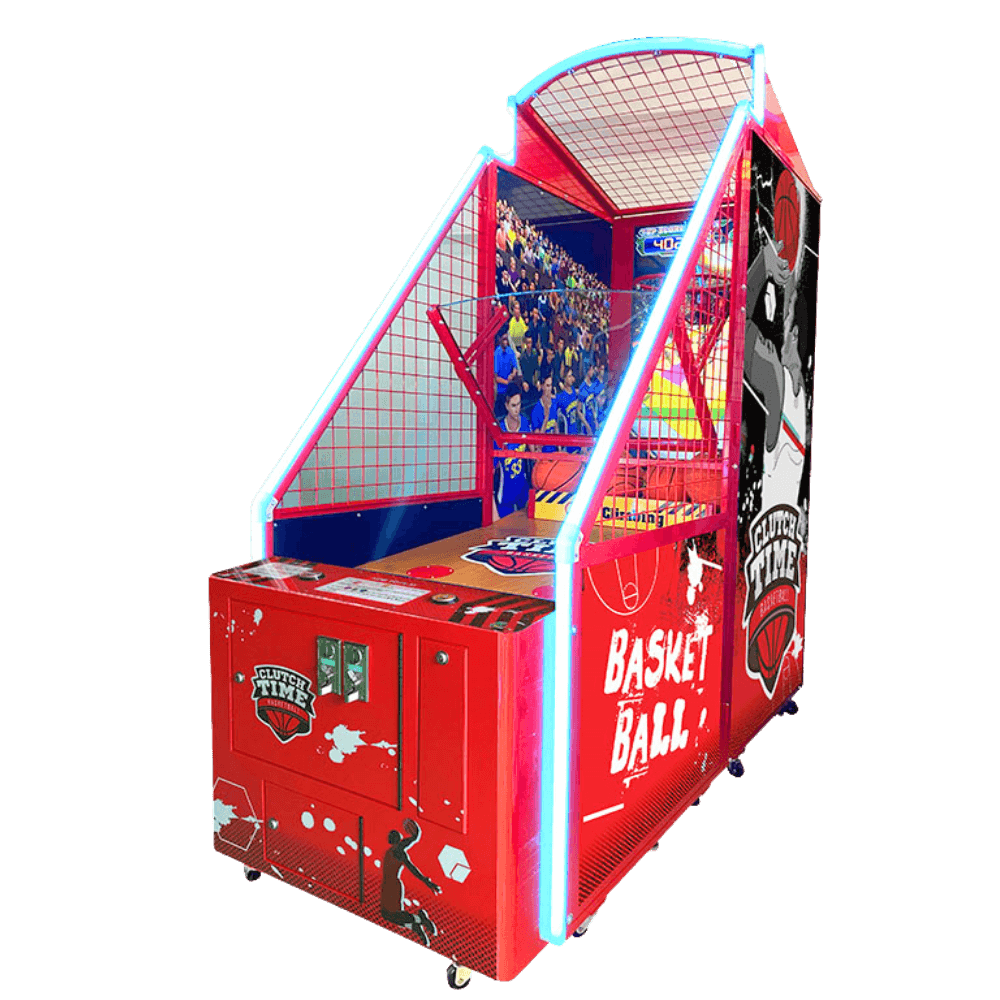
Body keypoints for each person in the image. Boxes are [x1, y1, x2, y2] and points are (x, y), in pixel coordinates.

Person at [380, 819, 441, 947]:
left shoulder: (398, 852)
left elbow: (413, 870)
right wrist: (414, 837)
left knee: (392, 914)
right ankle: (414, 926)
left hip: (392, 885)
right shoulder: (394, 850)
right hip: (388, 885)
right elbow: (406, 844)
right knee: (388, 915)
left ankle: (420, 920)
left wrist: (427, 882)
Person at [493, 385, 531, 517]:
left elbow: (534, 452)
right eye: (513, 405)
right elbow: (492, 469)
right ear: (507, 406)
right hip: (505, 493)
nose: (517, 409)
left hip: (522, 488)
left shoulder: (525, 423)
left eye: (519, 404)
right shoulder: (500, 431)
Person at [493, 331, 519, 418]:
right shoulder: (497, 353)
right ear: (500, 339)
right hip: (500, 392)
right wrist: (507, 382)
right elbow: (496, 377)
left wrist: (512, 374)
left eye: (506, 339)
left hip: (509, 392)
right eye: (504, 339)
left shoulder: (510, 350)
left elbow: (515, 367)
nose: (505, 342)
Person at [531, 374, 559, 453]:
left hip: (554, 452)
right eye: (547, 385)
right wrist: (546, 418)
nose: (549, 389)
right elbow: (538, 444)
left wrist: (559, 448)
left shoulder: (554, 403)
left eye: (550, 385)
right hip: (544, 455)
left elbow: (555, 426)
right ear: (542, 386)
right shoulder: (536, 411)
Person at [519, 333, 540, 415]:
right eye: (527, 343)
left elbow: (537, 368)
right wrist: (523, 382)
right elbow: (521, 371)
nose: (529, 345)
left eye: (530, 343)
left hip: (533, 381)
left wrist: (537, 380)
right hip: (526, 382)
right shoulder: (522, 356)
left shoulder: (534, 354)